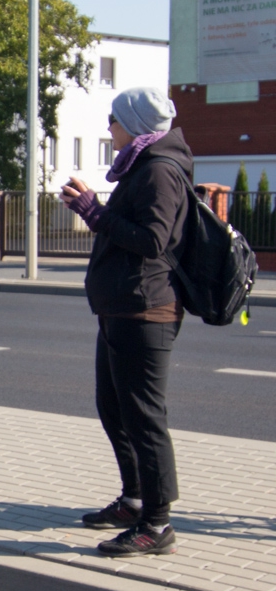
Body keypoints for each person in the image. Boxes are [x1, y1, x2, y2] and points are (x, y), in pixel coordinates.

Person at [61, 87, 193, 557]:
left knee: (144, 418)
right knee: (114, 407)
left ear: (134, 124)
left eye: (113, 119)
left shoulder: (159, 170)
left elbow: (154, 240)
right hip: (122, 309)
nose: (108, 127)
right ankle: (134, 499)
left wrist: (95, 214)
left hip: (146, 311)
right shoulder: (142, 165)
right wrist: (95, 209)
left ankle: (157, 524)